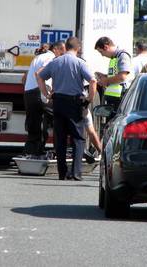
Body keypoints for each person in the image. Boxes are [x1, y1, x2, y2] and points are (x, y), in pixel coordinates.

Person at [38, 37, 97, 181]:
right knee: (78, 138)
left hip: (58, 102)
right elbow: (93, 80)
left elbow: (40, 77)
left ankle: (62, 173)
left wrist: (46, 94)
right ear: (78, 48)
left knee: (60, 139)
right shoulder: (79, 63)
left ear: (66, 47)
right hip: (74, 103)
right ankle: (76, 173)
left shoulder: (55, 62)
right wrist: (89, 98)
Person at [23, 41, 66, 157]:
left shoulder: (37, 58)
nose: (63, 54)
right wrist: (46, 93)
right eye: (62, 51)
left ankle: (32, 153)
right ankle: (60, 152)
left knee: (34, 126)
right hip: (40, 91)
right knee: (60, 119)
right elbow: (39, 73)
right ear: (56, 49)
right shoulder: (51, 57)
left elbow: (24, 78)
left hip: (29, 93)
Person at [94, 37, 132, 110]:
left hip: (121, 98)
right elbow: (115, 75)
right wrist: (104, 76)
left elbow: (122, 77)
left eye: (101, 52)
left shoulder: (122, 56)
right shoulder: (114, 58)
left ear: (106, 47)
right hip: (115, 99)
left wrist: (105, 80)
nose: (102, 55)